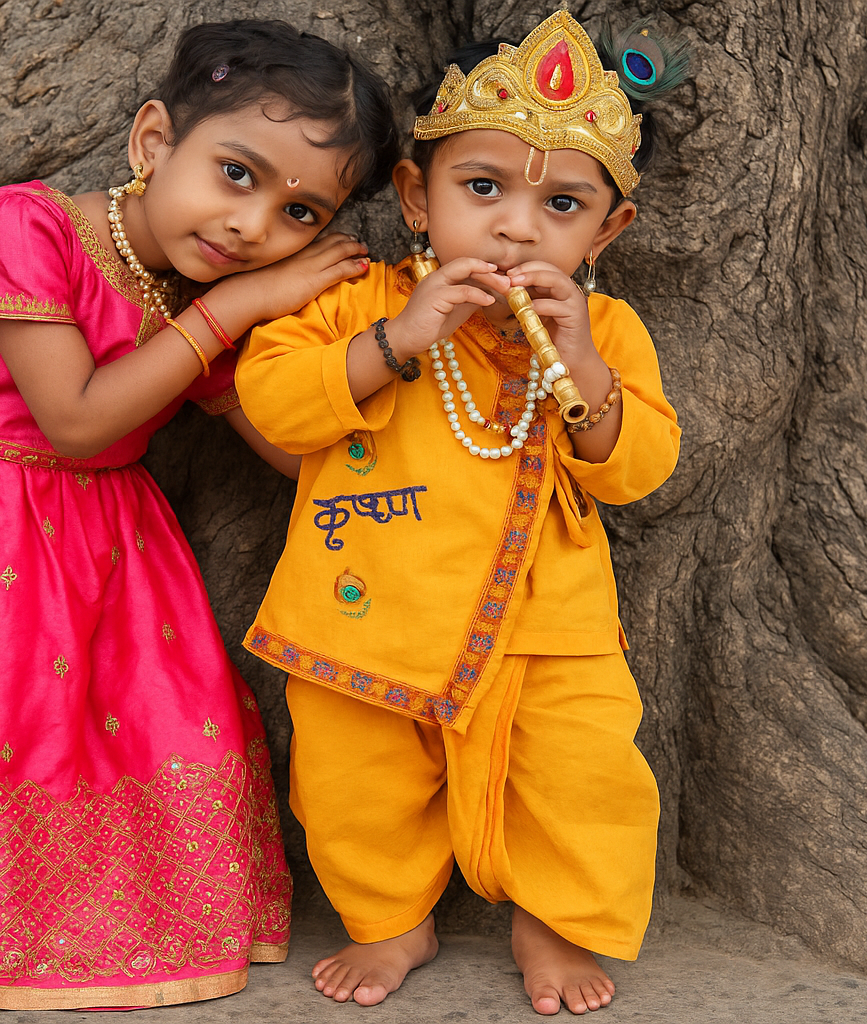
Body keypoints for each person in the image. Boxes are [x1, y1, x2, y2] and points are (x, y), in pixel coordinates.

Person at [0, 20, 398, 1010]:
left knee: (159, 716)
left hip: (107, 536)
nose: (253, 224)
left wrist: (392, 350)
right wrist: (240, 308)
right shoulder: (17, 229)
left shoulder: (194, 295)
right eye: (236, 172)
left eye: (300, 210)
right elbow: (78, 419)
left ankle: (120, 909)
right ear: (151, 142)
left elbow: (283, 441)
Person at [234, 8, 687, 1015]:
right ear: (416, 198)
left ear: (606, 231)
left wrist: (580, 364)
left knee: (583, 777)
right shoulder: (361, 301)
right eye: (482, 189)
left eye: (561, 204)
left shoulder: (605, 328)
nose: (517, 225)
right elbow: (271, 396)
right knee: (354, 784)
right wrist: (399, 337)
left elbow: (640, 468)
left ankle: (555, 922)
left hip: (545, 628)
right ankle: (391, 920)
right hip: (364, 613)